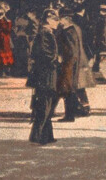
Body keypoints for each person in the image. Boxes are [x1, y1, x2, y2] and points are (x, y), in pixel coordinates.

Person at [27, 8, 61, 144]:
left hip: (45, 73)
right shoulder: (45, 34)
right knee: (44, 104)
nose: (57, 23)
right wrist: (56, 59)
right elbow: (45, 54)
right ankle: (39, 136)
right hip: (45, 74)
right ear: (49, 20)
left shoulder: (47, 33)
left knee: (47, 103)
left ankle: (46, 135)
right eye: (55, 20)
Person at [56, 11, 93, 121]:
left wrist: (63, 59)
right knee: (74, 88)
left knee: (68, 89)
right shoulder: (74, 29)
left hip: (70, 64)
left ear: (66, 19)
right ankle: (80, 110)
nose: (59, 21)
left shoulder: (69, 31)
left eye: (61, 18)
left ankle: (71, 114)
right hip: (76, 62)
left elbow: (72, 50)